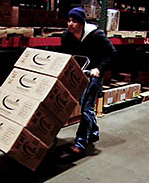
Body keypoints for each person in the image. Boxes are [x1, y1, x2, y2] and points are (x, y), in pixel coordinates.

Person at [60, 7, 117, 156]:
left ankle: (80, 144)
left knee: (86, 108)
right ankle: (94, 132)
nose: (70, 24)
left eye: (74, 21)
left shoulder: (96, 35)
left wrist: (99, 68)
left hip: (94, 75)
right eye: (69, 20)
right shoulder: (67, 37)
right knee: (85, 106)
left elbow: (111, 53)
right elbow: (65, 55)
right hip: (78, 76)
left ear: (82, 22)